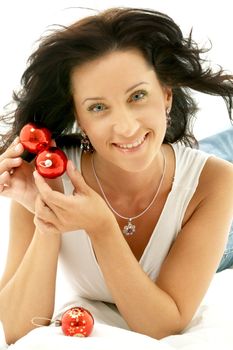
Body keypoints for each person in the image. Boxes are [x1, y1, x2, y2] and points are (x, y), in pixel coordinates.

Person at [0, 6, 233, 345]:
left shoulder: (216, 182)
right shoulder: (47, 174)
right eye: (98, 107)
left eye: (138, 96)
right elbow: (18, 331)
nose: (125, 126)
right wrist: (46, 214)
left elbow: (164, 326)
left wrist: (101, 227)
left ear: (166, 94)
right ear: (78, 116)